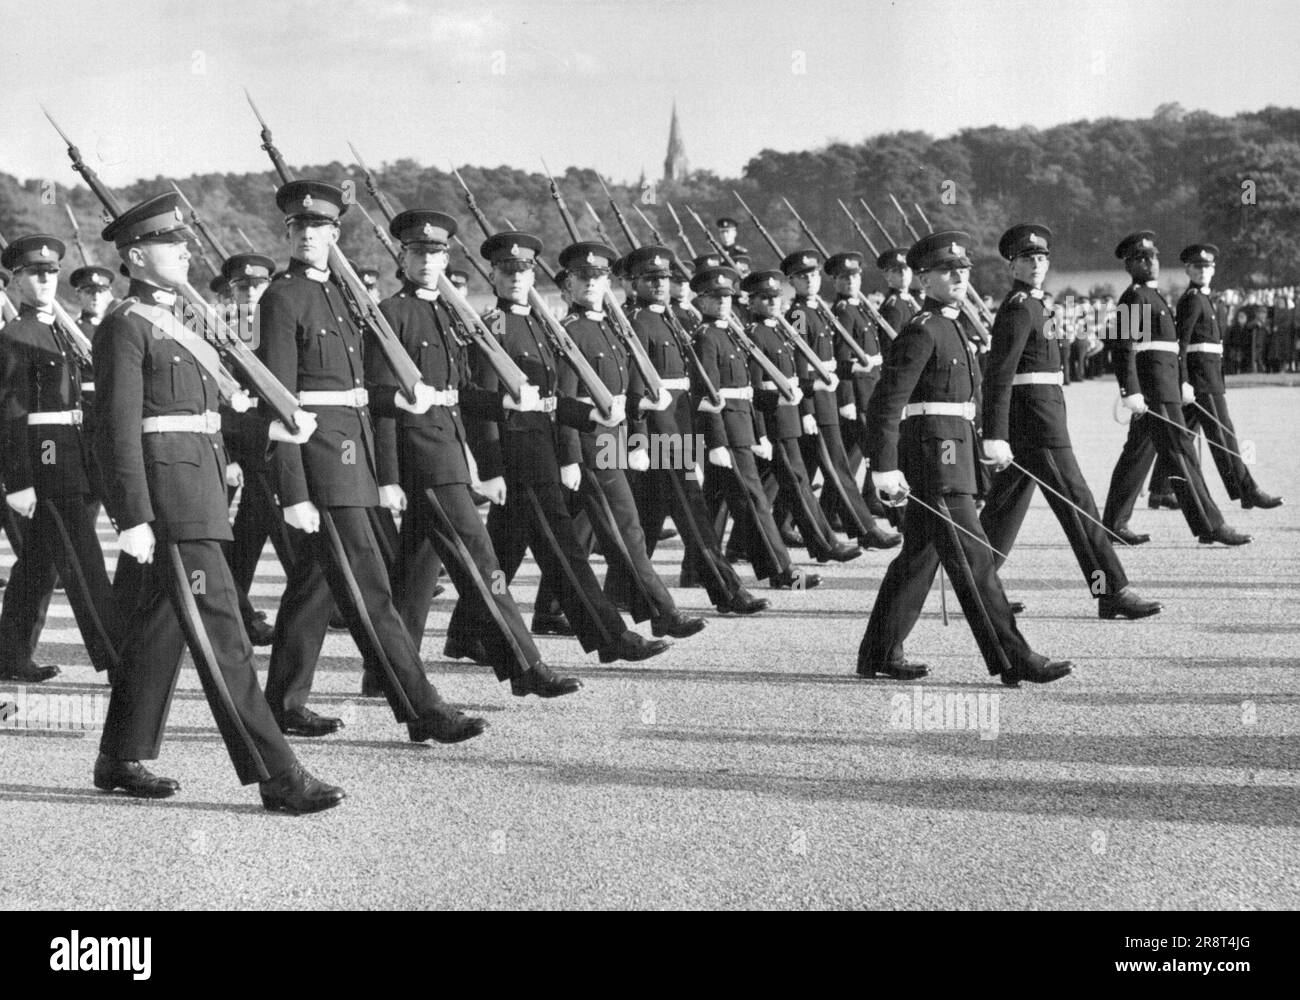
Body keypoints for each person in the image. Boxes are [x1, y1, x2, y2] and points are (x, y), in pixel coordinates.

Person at [94, 192, 342, 812]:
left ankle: (119, 756)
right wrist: (133, 516)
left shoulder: (186, 321)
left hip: (201, 490)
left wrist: (275, 430)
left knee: (159, 629)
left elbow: (213, 419)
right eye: (168, 242)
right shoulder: (125, 324)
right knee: (222, 634)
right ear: (135, 255)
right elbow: (116, 428)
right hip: (172, 504)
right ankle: (278, 777)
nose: (184, 248)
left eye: (182, 240)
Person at [255, 179, 486, 743]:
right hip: (321, 464)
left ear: (335, 233)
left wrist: (394, 399)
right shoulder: (281, 297)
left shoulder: (342, 291)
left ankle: (283, 703)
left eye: (320, 228)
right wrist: (295, 492)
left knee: (314, 584)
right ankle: (422, 707)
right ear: (288, 233)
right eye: (299, 228)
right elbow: (279, 401)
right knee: (370, 588)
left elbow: (357, 389)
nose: (310, 236)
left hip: (351, 457)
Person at [361, 209, 580, 698]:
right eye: (418, 253)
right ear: (403, 256)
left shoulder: (448, 312)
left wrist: (502, 400)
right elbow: (379, 398)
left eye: (436, 253)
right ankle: (525, 666)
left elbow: (458, 392)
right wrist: (388, 476)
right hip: (424, 454)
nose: (428, 261)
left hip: (449, 448)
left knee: (415, 572)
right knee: (482, 563)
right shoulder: (389, 315)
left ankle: (383, 672)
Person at [858, 231, 1071, 687]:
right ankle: (1015, 657)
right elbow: (886, 403)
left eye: (963, 269)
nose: (958, 276)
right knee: (974, 560)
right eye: (946, 271)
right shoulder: (923, 330)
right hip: (936, 459)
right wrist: (884, 465)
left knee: (919, 557)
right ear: (924, 279)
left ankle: (878, 651)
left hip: (952, 452)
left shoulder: (953, 325)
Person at [448, 230, 669, 664]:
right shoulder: (491, 328)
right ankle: (611, 636)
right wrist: (490, 468)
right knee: (565, 551)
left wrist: (590, 420)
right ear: (492, 275)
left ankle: (465, 633)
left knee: (504, 550)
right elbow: (481, 407)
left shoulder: (541, 323)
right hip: (518, 457)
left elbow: (551, 402)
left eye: (525, 270)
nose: (516, 278)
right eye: (508, 271)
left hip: (545, 450)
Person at [977, 224, 1161, 620]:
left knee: (1003, 510)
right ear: (1013, 267)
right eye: (1028, 259)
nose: (1037, 265)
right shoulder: (1018, 307)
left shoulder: (1038, 305)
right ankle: (1111, 589)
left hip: (1042, 413)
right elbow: (998, 374)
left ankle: (977, 586)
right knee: (1078, 504)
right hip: (1037, 421)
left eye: (1042, 258)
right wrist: (993, 433)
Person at [533, 241, 705, 640]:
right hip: (592, 446)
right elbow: (563, 403)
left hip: (616, 440)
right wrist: (571, 458)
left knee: (580, 531)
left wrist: (641, 434)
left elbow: (629, 395)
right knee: (626, 529)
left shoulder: (611, 329)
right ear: (568, 287)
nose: (592, 284)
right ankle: (664, 612)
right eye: (583, 278)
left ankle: (548, 609)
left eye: (598, 277)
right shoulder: (570, 334)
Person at [607, 244, 769, 615]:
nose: (661, 284)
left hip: (678, 428)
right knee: (692, 512)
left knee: (646, 517)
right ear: (633, 284)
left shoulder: (670, 319)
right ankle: (728, 592)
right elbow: (631, 385)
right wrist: (638, 440)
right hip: (657, 435)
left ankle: (617, 590)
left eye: (664, 278)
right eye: (651, 279)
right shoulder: (635, 323)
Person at [0, 236, 117, 683]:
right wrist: (19, 481)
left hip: (74, 456)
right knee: (85, 563)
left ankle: (10, 654)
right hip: (47, 464)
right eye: (34, 272)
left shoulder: (60, 331)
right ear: (17, 281)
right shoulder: (14, 336)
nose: (45, 278)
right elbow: (10, 415)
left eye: (50, 272)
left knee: (38, 563)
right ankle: (116, 657)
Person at [1101, 233, 1252, 546]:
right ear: (1130, 265)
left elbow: (1171, 347)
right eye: (1141, 259)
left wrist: (1182, 381)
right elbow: (1124, 347)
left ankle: (1114, 523)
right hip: (1154, 391)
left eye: (1153, 256)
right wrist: (1130, 390)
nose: (1150, 262)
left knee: (1137, 456)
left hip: (1165, 386)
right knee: (1182, 453)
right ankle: (1210, 525)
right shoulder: (1135, 297)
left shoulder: (1152, 297)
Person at [692, 265, 818, 590]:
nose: (722, 303)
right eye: (715, 297)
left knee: (710, 503)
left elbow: (746, 389)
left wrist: (760, 429)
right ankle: (782, 571)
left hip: (742, 427)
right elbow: (708, 393)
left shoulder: (729, 332)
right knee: (753, 502)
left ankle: (693, 571)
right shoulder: (706, 338)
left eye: (727, 297)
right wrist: (717, 441)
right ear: (701, 300)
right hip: (727, 432)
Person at [1148, 245, 1282, 511]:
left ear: (1214, 269)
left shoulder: (1204, 298)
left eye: (1207, 266)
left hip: (1207, 375)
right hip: (1201, 379)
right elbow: (1181, 344)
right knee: (1223, 434)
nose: (1203, 271)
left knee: (1181, 434)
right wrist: (1183, 380)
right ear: (1188, 270)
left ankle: (1161, 490)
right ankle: (1248, 489)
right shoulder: (1192, 300)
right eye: (1197, 267)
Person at [784, 249, 899, 551]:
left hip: (826, 396)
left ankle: (771, 529)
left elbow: (831, 359)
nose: (810, 280)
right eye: (802, 276)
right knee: (835, 464)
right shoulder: (797, 313)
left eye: (812, 274)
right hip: (814, 400)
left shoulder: (817, 310)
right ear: (792, 281)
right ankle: (865, 529)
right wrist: (809, 407)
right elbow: (798, 365)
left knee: (800, 470)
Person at [742, 269, 859, 564]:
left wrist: (806, 404)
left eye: (775, 297)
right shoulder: (753, 335)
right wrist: (760, 433)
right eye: (764, 298)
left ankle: (735, 547)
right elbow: (753, 391)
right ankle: (823, 544)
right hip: (772, 420)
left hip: (789, 416)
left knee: (784, 482)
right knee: (795, 481)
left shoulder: (781, 329)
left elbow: (794, 378)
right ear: (752, 302)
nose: (772, 303)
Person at [218, 252, 288, 646]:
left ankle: (236, 616)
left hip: (265, 446)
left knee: (250, 534)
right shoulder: (215, 332)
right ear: (232, 293)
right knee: (217, 537)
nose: (251, 293)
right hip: (227, 445)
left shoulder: (277, 327)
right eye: (243, 287)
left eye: (258, 286)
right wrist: (227, 459)